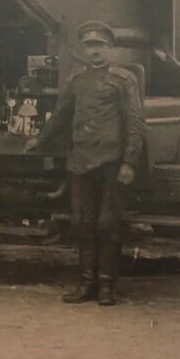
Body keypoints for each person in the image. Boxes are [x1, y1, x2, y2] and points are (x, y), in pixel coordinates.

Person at [25, 21, 146, 306]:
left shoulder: (124, 79)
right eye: (90, 46)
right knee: (82, 224)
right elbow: (60, 115)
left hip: (112, 163)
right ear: (83, 49)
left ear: (110, 48)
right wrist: (39, 140)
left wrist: (129, 163)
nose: (95, 52)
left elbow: (136, 123)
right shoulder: (77, 80)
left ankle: (106, 287)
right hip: (80, 162)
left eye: (100, 46)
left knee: (108, 225)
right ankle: (85, 284)